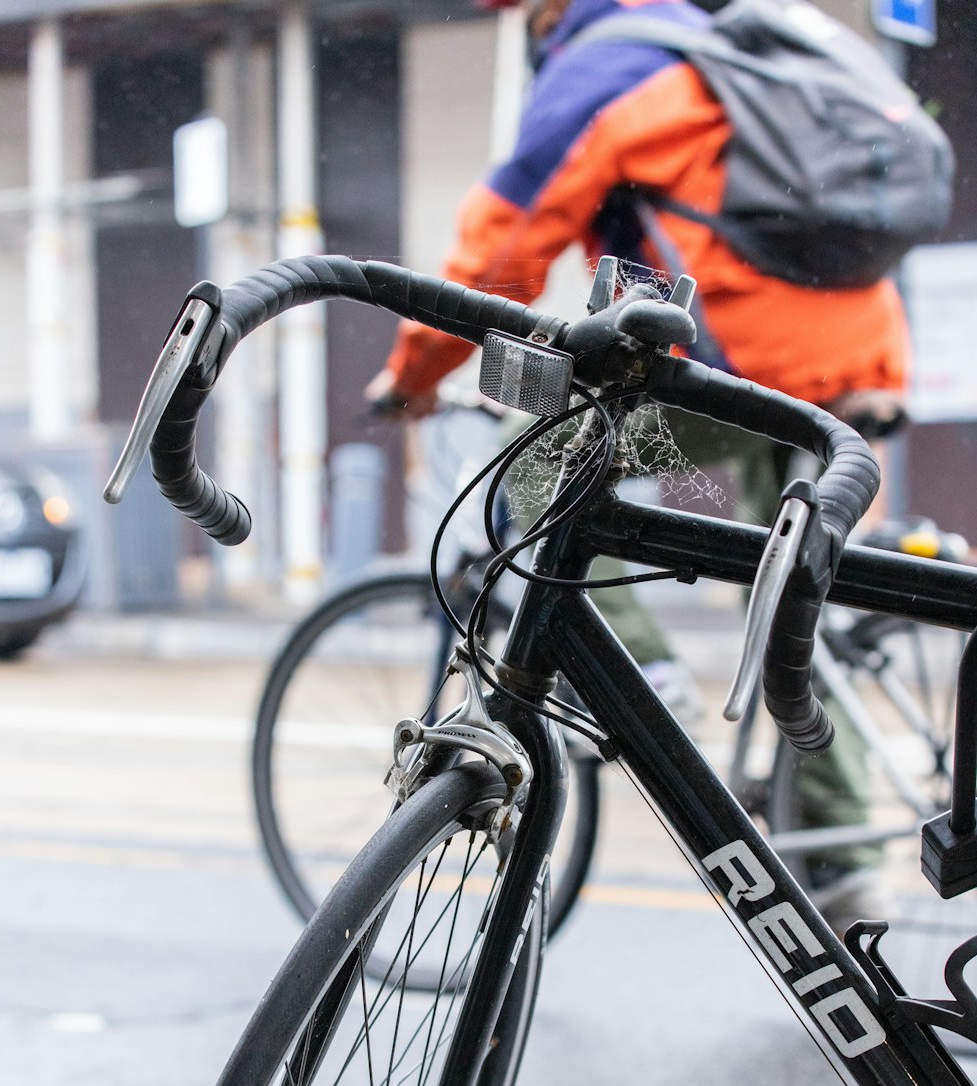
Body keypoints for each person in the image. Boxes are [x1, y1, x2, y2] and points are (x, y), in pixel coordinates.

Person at [367, 0, 910, 931]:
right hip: (854, 360)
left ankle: (646, 680)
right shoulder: (725, 55)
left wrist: (414, 372)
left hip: (740, 359)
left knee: (535, 477)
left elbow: (507, 239)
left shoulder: (608, 64)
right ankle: (850, 857)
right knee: (787, 594)